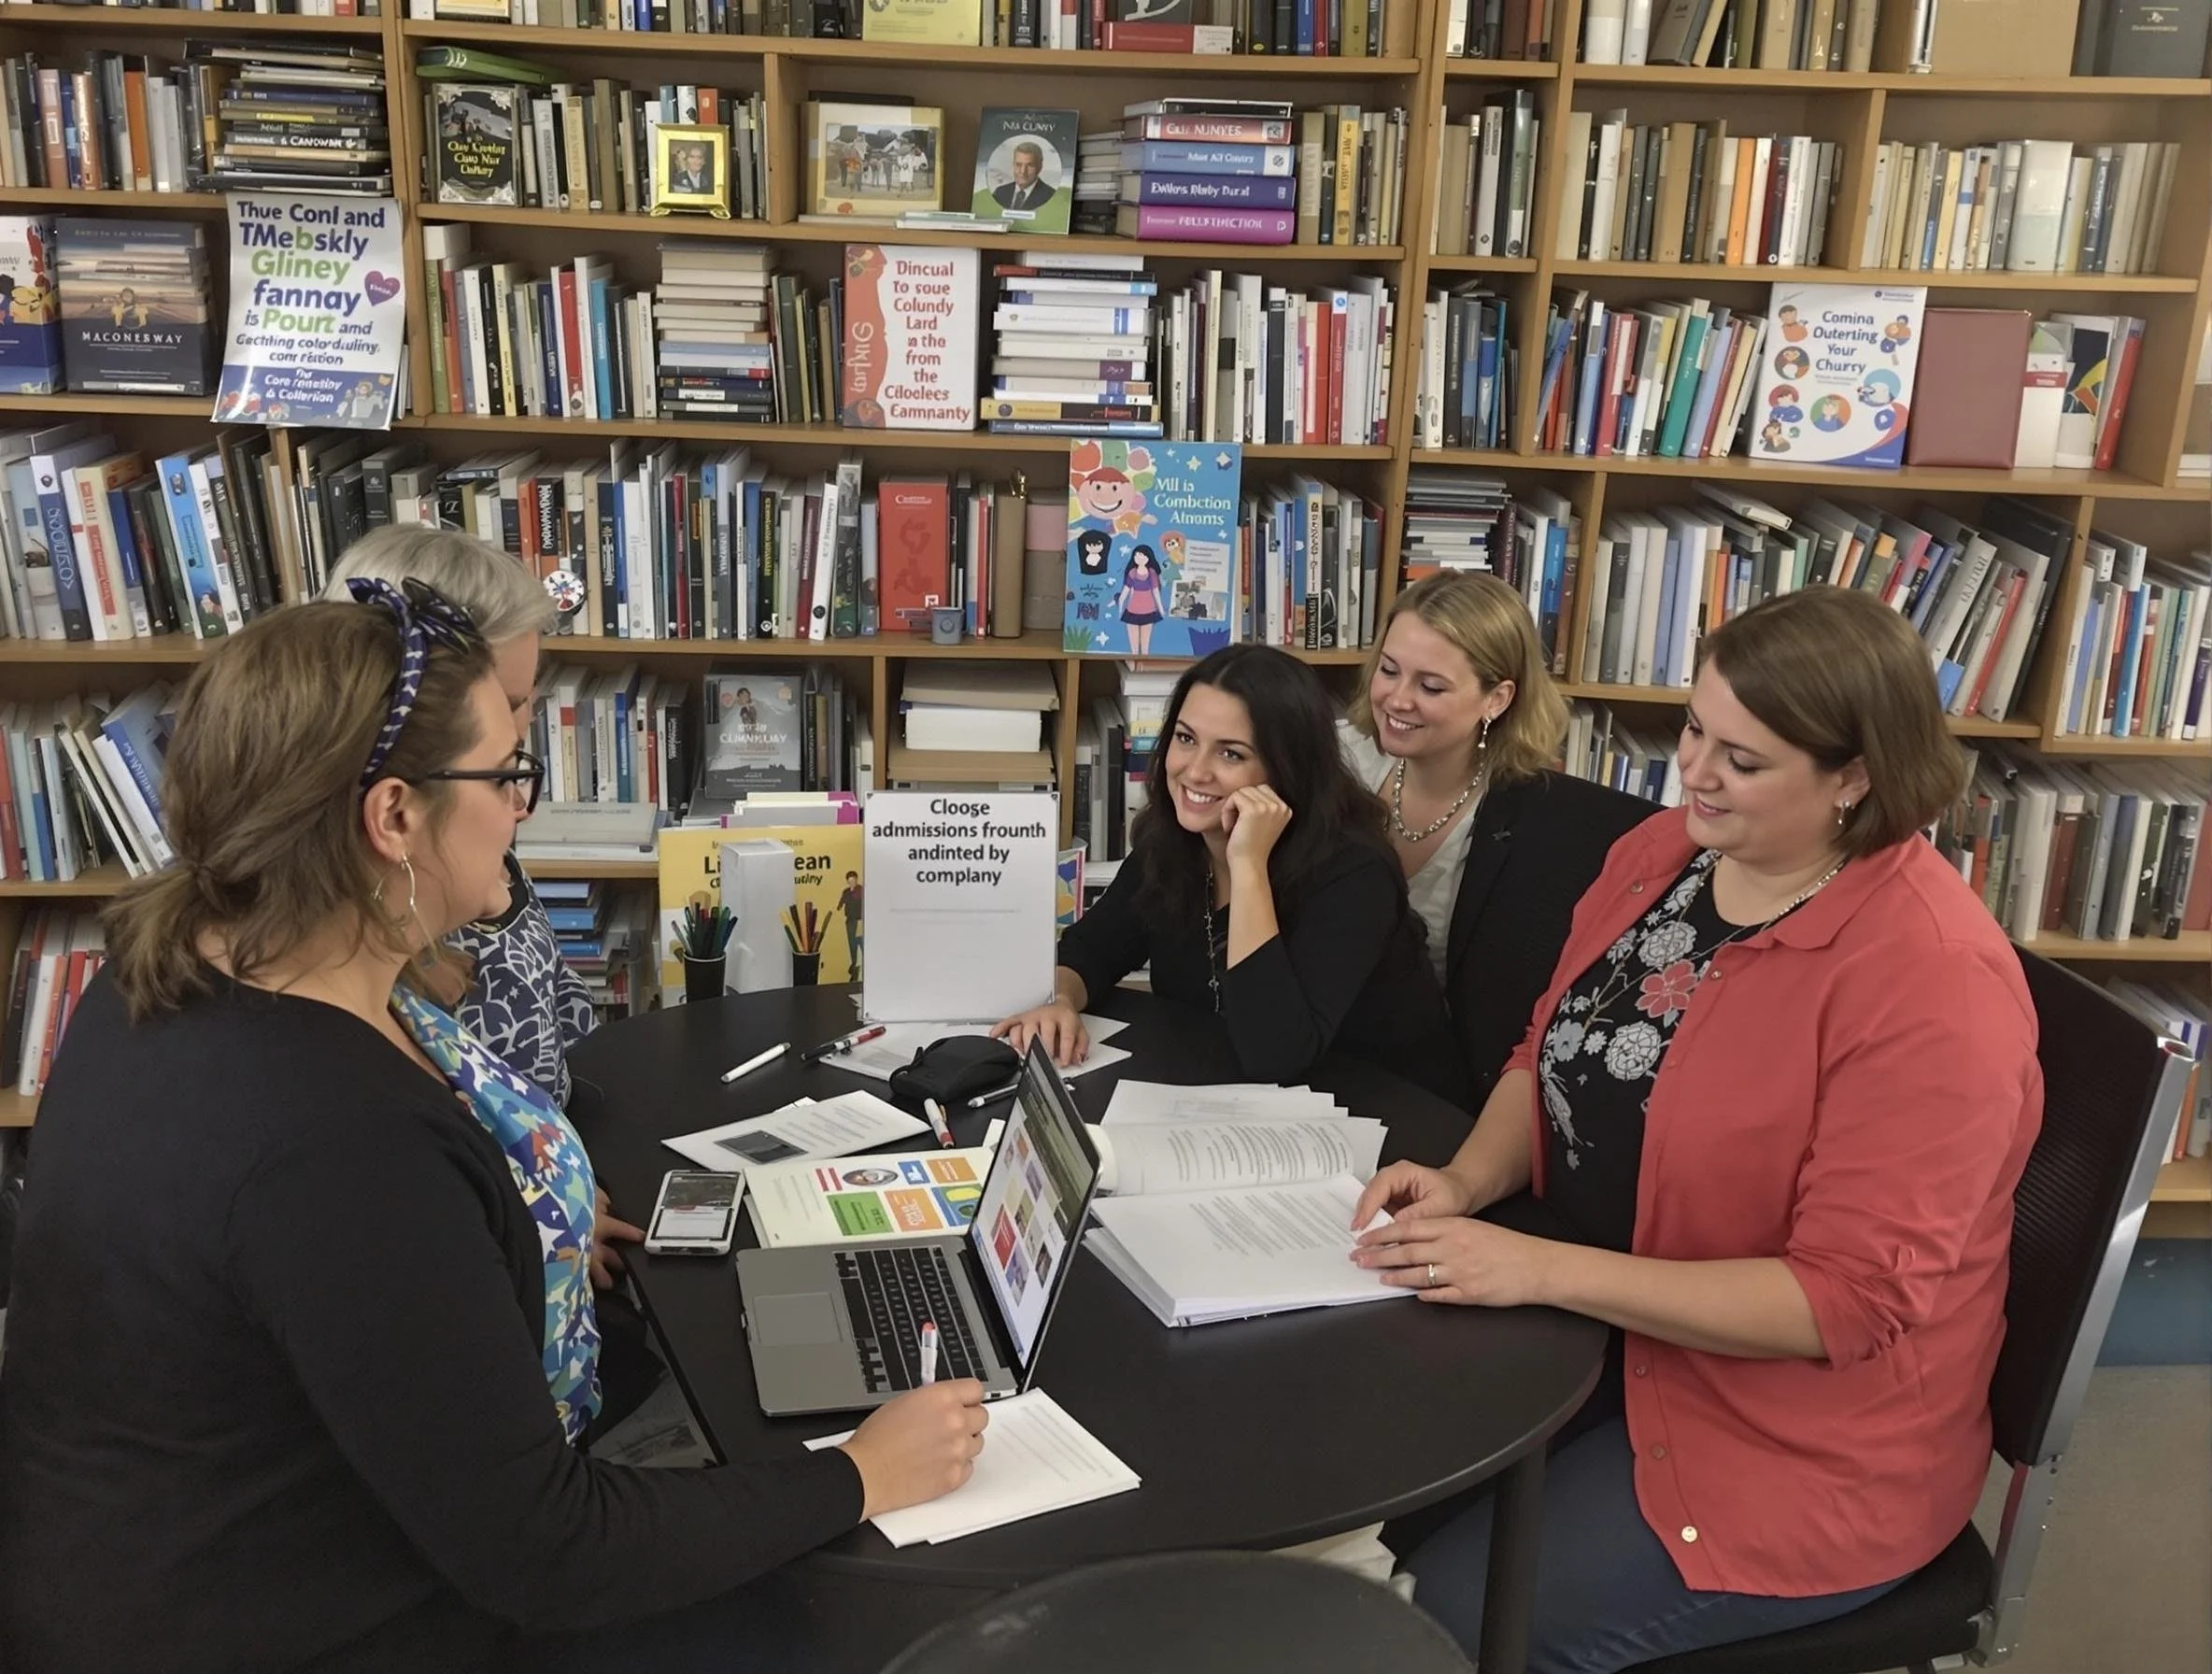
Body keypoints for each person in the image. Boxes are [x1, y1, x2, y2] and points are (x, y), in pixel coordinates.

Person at [0, 585, 990, 1674]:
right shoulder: (331, 1152)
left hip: (191, 1547)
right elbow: (553, 1553)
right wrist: (862, 1469)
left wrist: (513, 1229)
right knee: (847, 1627)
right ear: (391, 818)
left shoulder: (181, 972)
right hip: (298, 1620)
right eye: (507, 774)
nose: (523, 805)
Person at [1347, 586, 2044, 1672]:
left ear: (1855, 777)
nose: (1694, 775)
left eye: (1744, 760)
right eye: (1693, 731)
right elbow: (1552, 1045)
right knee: (1351, 1504)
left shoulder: (1931, 984)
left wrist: (1541, 1267)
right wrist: (1468, 1179)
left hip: (1796, 1446)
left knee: (1434, 1619)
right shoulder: (1666, 854)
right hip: (1608, 1336)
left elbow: (1844, 1299)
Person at [995, 644, 1467, 1104]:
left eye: (1231, 754)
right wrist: (1061, 1000)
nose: (1195, 771)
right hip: (1239, 1107)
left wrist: (1248, 866)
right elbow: (1092, 950)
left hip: (1390, 1117)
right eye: (1185, 738)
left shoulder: (1354, 876)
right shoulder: (1175, 840)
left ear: (1287, 768)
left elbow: (1275, 1053)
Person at [1342, 573, 1652, 1112]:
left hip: (1438, 1088)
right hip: (1322, 1047)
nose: (1397, 698)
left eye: (1431, 686)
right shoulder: (1341, 762)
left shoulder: (1536, 824)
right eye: (1389, 670)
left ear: (1497, 698)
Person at [325, 528, 593, 1113]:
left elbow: (552, 1013)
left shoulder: (472, 820)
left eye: (523, 702)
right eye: (501, 703)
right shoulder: (354, 963)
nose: (515, 733)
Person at [991, 140, 1057, 214]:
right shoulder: (1000, 192)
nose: (1023, 171)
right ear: (1013, 164)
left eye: (1030, 165)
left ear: (1040, 166)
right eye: (1018, 165)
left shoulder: (1051, 197)